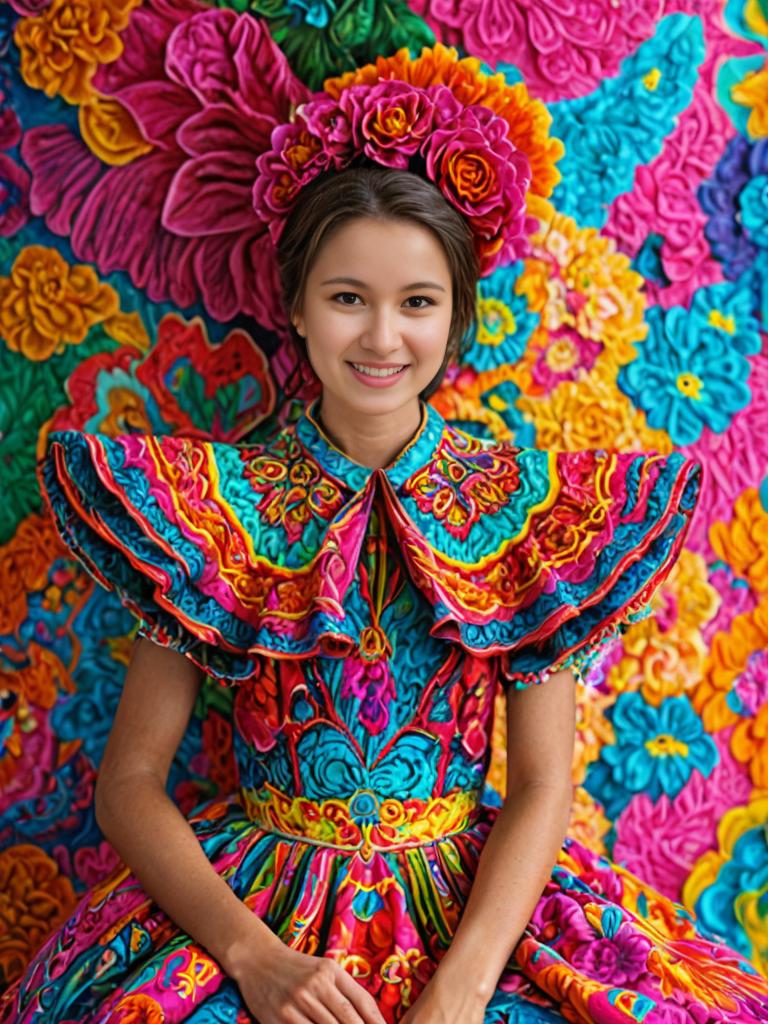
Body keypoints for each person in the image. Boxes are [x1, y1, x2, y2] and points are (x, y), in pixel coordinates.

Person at [2, 99, 767, 1024]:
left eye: (417, 303)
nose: (380, 337)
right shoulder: (201, 512)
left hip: (473, 909)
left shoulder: (527, 517)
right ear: (296, 304)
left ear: (455, 317)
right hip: (255, 906)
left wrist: (466, 985)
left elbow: (541, 784)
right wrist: (256, 957)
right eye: (347, 297)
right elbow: (128, 785)